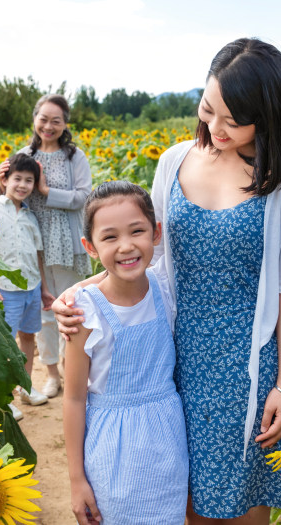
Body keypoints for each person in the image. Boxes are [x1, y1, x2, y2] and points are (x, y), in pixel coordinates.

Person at [55, 38, 281, 524]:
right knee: (179, 493)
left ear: (268, 114)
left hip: (244, 364)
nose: (217, 128)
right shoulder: (175, 160)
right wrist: (83, 291)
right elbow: (147, 257)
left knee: (240, 500)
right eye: (208, 110)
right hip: (171, 354)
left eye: (234, 120)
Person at [63, 181, 188, 525]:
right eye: (110, 237)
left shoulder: (165, 287)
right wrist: (76, 479)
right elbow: (74, 398)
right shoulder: (83, 311)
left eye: (137, 231)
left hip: (168, 439)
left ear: (156, 232)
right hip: (113, 448)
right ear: (90, 246)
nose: (127, 246)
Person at [0, 94, 92, 399]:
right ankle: (52, 374)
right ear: (34, 118)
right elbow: (13, 193)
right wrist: (0, 182)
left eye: (56, 120)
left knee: (73, 309)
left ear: (65, 124)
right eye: (44, 119)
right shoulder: (23, 154)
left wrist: (46, 191)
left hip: (67, 241)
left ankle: (71, 367)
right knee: (45, 313)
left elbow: (82, 197)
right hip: (34, 243)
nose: (49, 126)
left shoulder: (75, 157)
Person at [0, 153, 55, 419]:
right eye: (18, 179)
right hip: (5, 289)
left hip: (31, 287)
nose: (23, 185)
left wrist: (44, 290)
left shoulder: (31, 217)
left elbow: (38, 256)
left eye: (29, 180)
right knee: (6, 344)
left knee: (28, 337)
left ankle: (25, 387)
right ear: (5, 179)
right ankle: (4, 399)